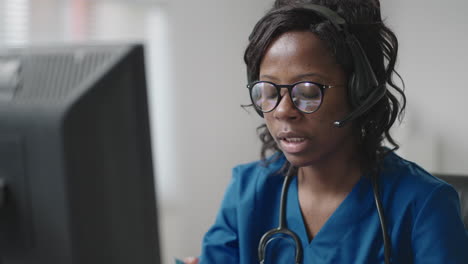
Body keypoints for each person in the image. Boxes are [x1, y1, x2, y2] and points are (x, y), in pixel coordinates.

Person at [185, 0, 468, 263]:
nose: (283, 111)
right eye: (268, 90)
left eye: (308, 90)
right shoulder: (247, 192)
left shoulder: (424, 205)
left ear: (360, 94)